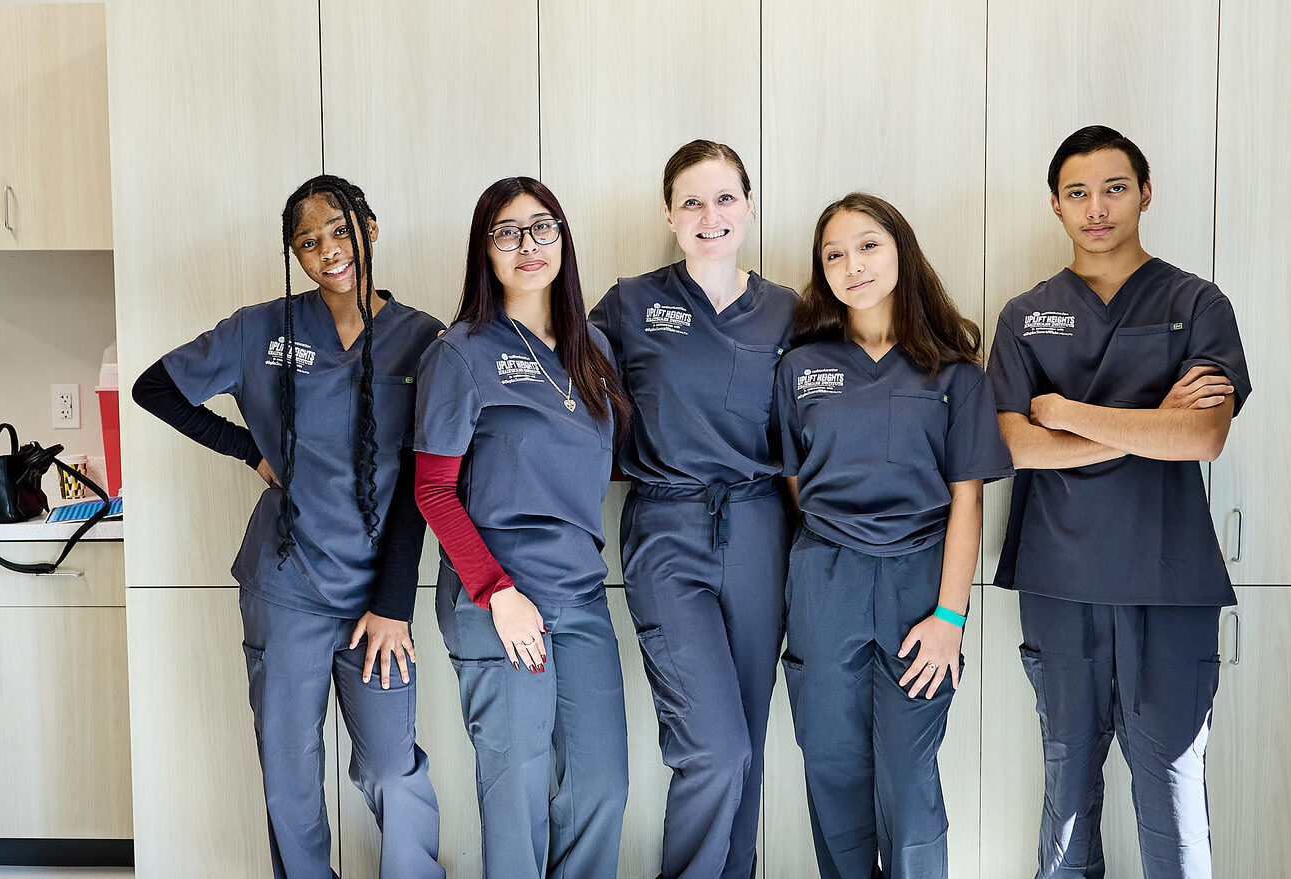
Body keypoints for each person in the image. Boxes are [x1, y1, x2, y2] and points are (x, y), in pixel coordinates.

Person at [131, 174, 445, 879]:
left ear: (369, 227)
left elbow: (428, 481)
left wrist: (394, 603)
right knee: (289, 776)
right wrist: (250, 450)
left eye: (339, 229)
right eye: (308, 242)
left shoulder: (426, 341)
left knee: (393, 767)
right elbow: (153, 385)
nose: (328, 250)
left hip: (376, 601)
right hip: (285, 584)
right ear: (296, 256)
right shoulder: (260, 329)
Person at [986, 125, 1252, 879]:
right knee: (1066, 793)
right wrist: (1147, 423)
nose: (1096, 207)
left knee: (1171, 790)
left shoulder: (1196, 302)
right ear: (1055, 205)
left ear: (1144, 192)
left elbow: (1202, 435)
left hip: (1168, 582)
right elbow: (1013, 447)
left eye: (1113, 188)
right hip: (1059, 574)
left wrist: (1068, 411)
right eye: (1077, 192)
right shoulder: (1024, 314)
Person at [773, 193, 1011, 878]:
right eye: (835, 254)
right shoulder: (800, 368)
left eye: (869, 245)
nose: (854, 264)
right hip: (825, 581)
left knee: (907, 781)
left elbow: (968, 500)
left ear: (901, 250)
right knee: (831, 767)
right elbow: (796, 483)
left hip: (920, 587)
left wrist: (950, 616)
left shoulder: (955, 373)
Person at [412, 176, 632, 879]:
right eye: (507, 231)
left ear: (563, 239)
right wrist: (498, 592)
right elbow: (433, 490)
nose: (528, 245)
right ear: (486, 250)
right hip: (499, 597)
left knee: (602, 785)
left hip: (582, 595)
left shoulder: (593, 346)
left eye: (543, 227)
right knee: (517, 796)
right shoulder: (462, 352)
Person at [588, 139, 796, 879]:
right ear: (669, 214)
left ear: (748, 203)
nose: (711, 215)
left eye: (726, 198)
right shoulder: (632, 301)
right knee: (715, 746)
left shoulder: (786, 311)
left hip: (760, 528)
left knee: (749, 736)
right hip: (667, 528)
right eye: (693, 201)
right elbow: (564, 384)